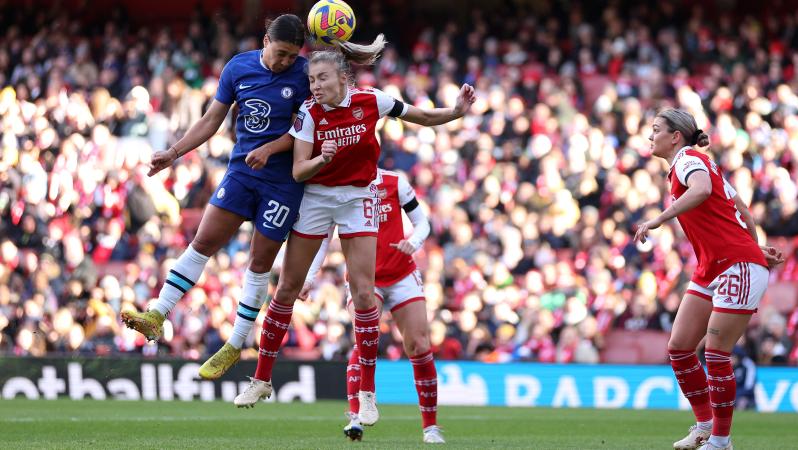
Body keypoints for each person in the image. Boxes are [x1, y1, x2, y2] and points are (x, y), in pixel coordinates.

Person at [232, 35, 475, 429]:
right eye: (312, 80)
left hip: (358, 197)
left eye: (322, 79)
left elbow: (422, 117)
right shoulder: (309, 113)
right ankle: (261, 379)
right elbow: (299, 170)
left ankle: (366, 394)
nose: (315, 86)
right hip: (316, 198)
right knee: (288, 288)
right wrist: (321, 160)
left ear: (343, 78)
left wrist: (456, 112)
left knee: (364, 293)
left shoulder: (373, 100)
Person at [120, 15, 311, 380]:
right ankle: (157, 313)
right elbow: (211, 120)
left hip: (283, 183)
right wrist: (173, 153)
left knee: (259, 262)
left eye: (292, 55)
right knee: (203, 241)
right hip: (242, 173)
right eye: (282, 53)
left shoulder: (304, 75)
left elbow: (306, 131)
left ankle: (234, 345)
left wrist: (271, 149)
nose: (286, 61)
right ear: (266, 41)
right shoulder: (238, 68)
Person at [633, 108, 784, 450]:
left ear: (675, 136)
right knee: (680, 347)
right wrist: (754, 246)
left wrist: (659, 219)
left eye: (656, 129)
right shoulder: (697, 163)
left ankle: (720, 441)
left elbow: (701, 190)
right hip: (713, 265)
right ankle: (704, 426)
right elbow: (742, 210)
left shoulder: (688, 160)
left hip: (735, 265)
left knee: (716, 353)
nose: (650, 136)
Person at [300, 168, 443, 443]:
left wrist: (413, 242)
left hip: (401, 274)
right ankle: (356, 417)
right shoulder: (338, 186)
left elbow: (422, 223)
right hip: (364, 278)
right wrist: (308, 277)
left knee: (419, 344)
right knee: (364, 338)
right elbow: (323, 239)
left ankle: (431, 427)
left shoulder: (395, 182)